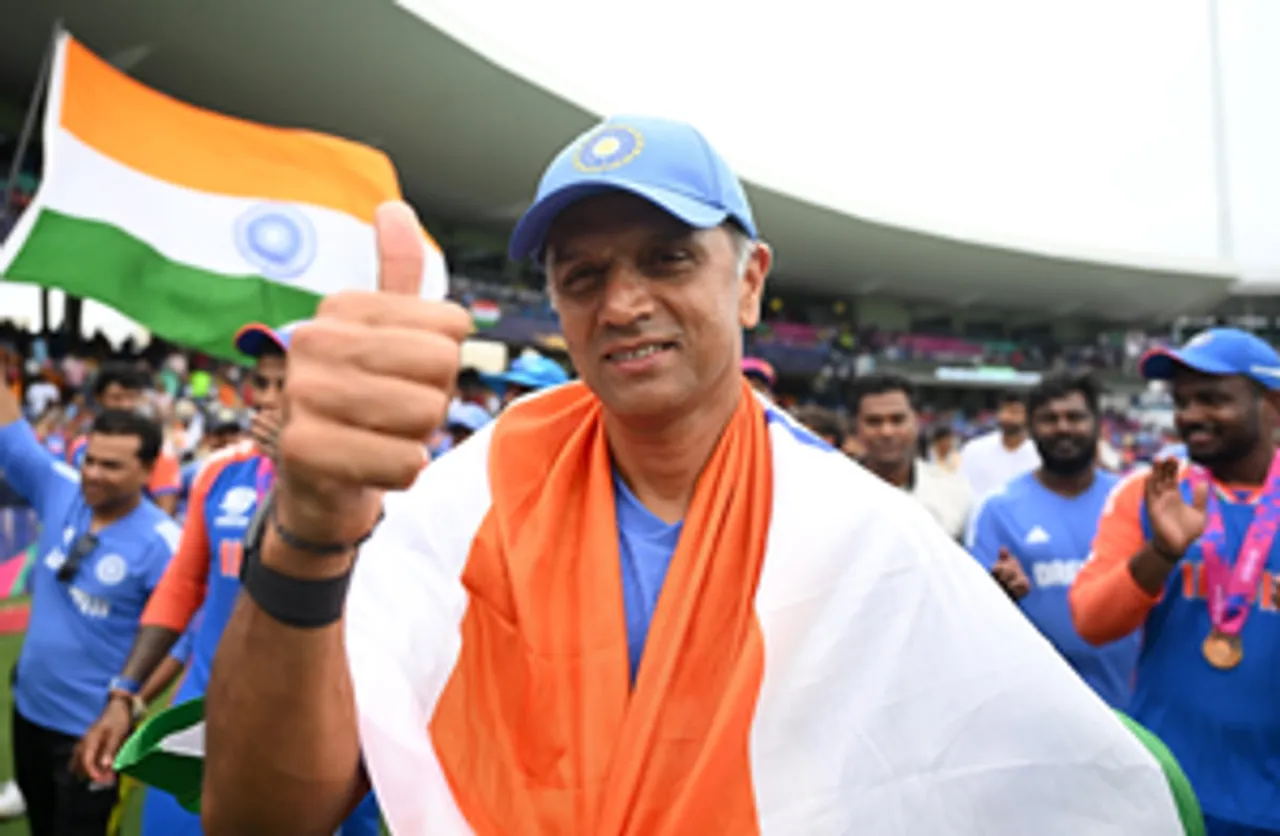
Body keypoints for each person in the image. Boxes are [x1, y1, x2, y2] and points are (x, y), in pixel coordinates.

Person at [201, 117, 1190, 834]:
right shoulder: (473, 495)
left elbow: (1016, 776)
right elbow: (257, 815)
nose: (622, 302)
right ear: (553, 301)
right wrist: (313, 527)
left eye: (667, 258)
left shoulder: (858, 533)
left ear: (748, 278)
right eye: (581, 275)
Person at [74, 322, 382, 836]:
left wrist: (308, 481)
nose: (267, 399)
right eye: (263, 383)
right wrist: (124, 694)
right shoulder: (220, 474)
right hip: (205, 723)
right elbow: (182, 587)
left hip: (317, 737)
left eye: (289, 385)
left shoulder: (376, 488)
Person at [1071, 327, 1280, 836]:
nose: (1190, 416)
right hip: (1167, 791)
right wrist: (1162, 552)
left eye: (1213, 399)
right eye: (1182, 401)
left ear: (1271, 403)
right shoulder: (1148, 493)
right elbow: (1092, 622)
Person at [0, 380, 178, 836]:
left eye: (111, 466)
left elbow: (184, 637)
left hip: (92, 731)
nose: (93, 474)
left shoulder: (163, 544)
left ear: (146, 470)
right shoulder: (61, 491)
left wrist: (127, 707)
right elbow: (11, 435)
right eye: (90, 460)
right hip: (30, 713)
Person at [966, 372, 1139, 709]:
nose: (1063, 427)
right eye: (1049, 419)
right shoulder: (997, 509)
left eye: (1075, 417)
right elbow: (974, 611)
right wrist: (999, 590)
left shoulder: (1129, 499)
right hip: (1037, 709)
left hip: (1127, 704)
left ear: (1098, 425)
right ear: (1031, 428)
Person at [850, 373, 972, 539]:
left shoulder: (954, 492)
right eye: (874, 421)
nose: (887, 432)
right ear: (857, 426)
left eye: (897, 420)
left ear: (916, 421)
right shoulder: (830, 494)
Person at [68, 364, 182, 516]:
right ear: (99, 398)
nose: (126, 405)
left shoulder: (157, 447)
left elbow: (165, 509)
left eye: (132, 397)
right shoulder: (79, 445)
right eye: (116, 398)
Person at [959, 391, 1041, 499]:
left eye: (1014, 412)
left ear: (1028, 416)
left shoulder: (1039, 454)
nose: (1006, 416)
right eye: (1003, 410)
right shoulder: (974, 450)